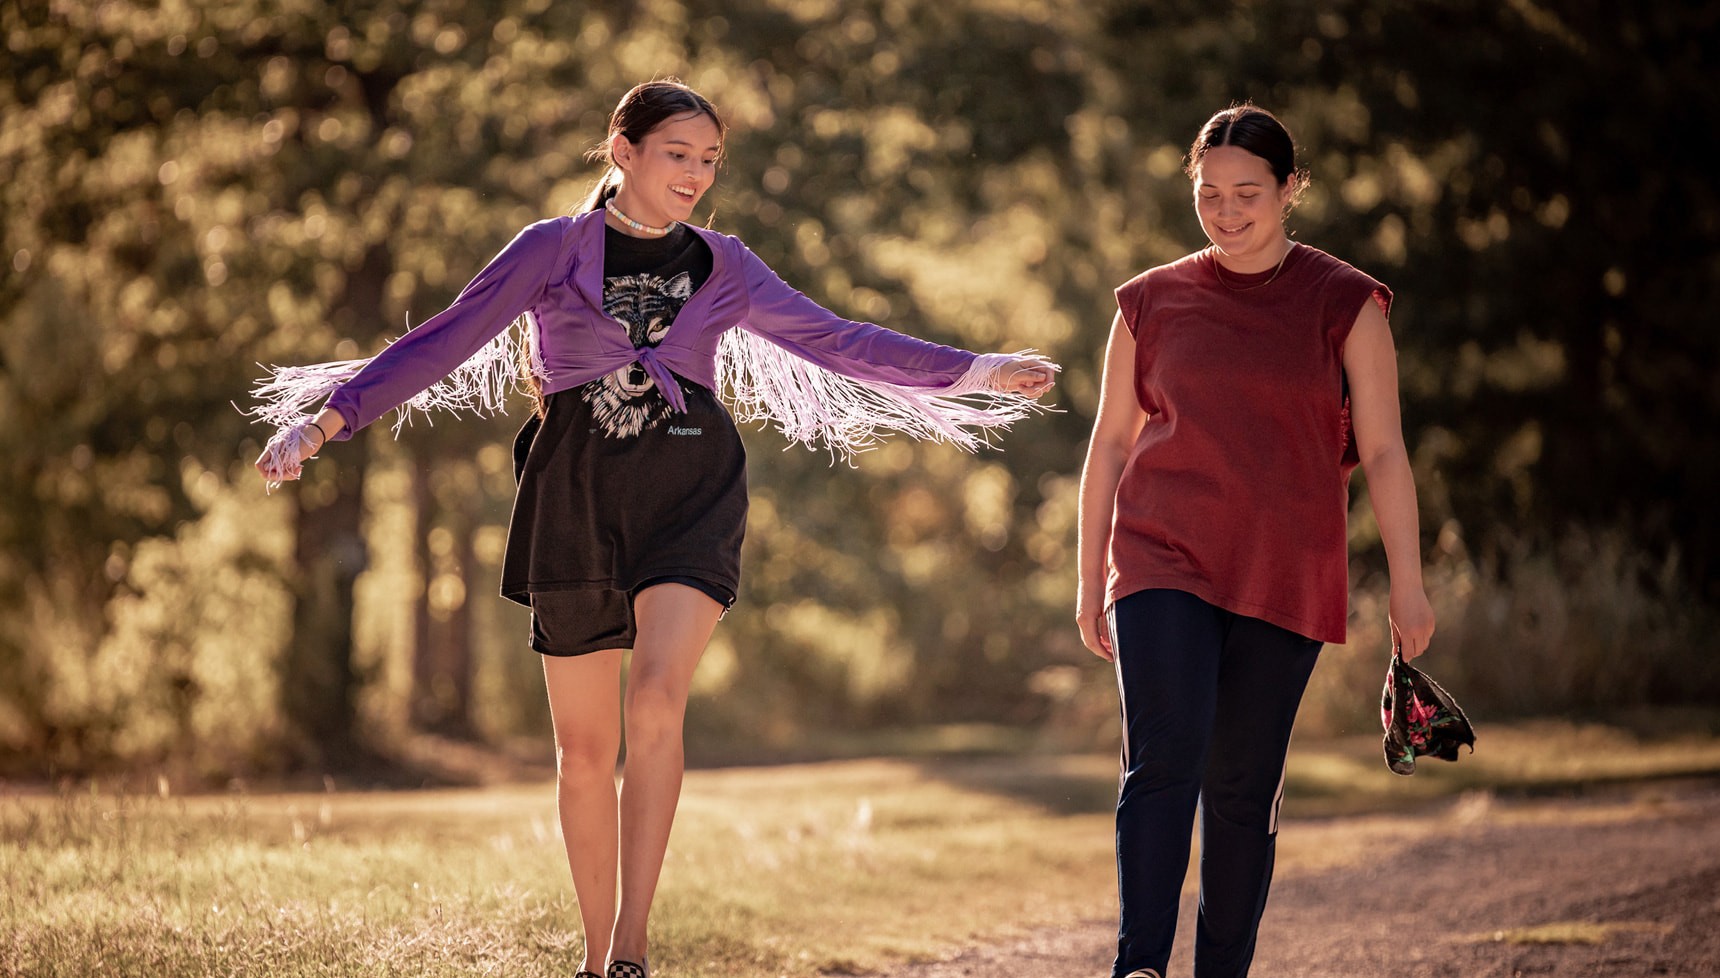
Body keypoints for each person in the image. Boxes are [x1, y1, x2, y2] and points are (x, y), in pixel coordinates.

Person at [249, 79, 1057, 978]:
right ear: (622, 150)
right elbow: (446, 338)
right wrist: (327, 421)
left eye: (710, 160)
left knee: (657, 701)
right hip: (574, 499)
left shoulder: (726, 263)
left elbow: (838, 339)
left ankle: (633, 947)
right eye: (679, 154)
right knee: (586, 753)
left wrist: (975, 369)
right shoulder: (552, 250)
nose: (697, 175)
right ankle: (597, 959)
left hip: (691, 492)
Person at [1075, 104, 1435, 978]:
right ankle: (1141, 968)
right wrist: (1091, 581)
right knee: (1163, 759)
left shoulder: (1346, 302)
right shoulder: (1149, 300)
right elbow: (1111, 444)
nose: (1227, 212)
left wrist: (1408, 586)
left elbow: (1383, 450)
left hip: (1287, 569)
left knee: (1241, 788)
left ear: (1289, 190)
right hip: (1161, 555)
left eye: (1247, 194)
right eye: (1209, 195)